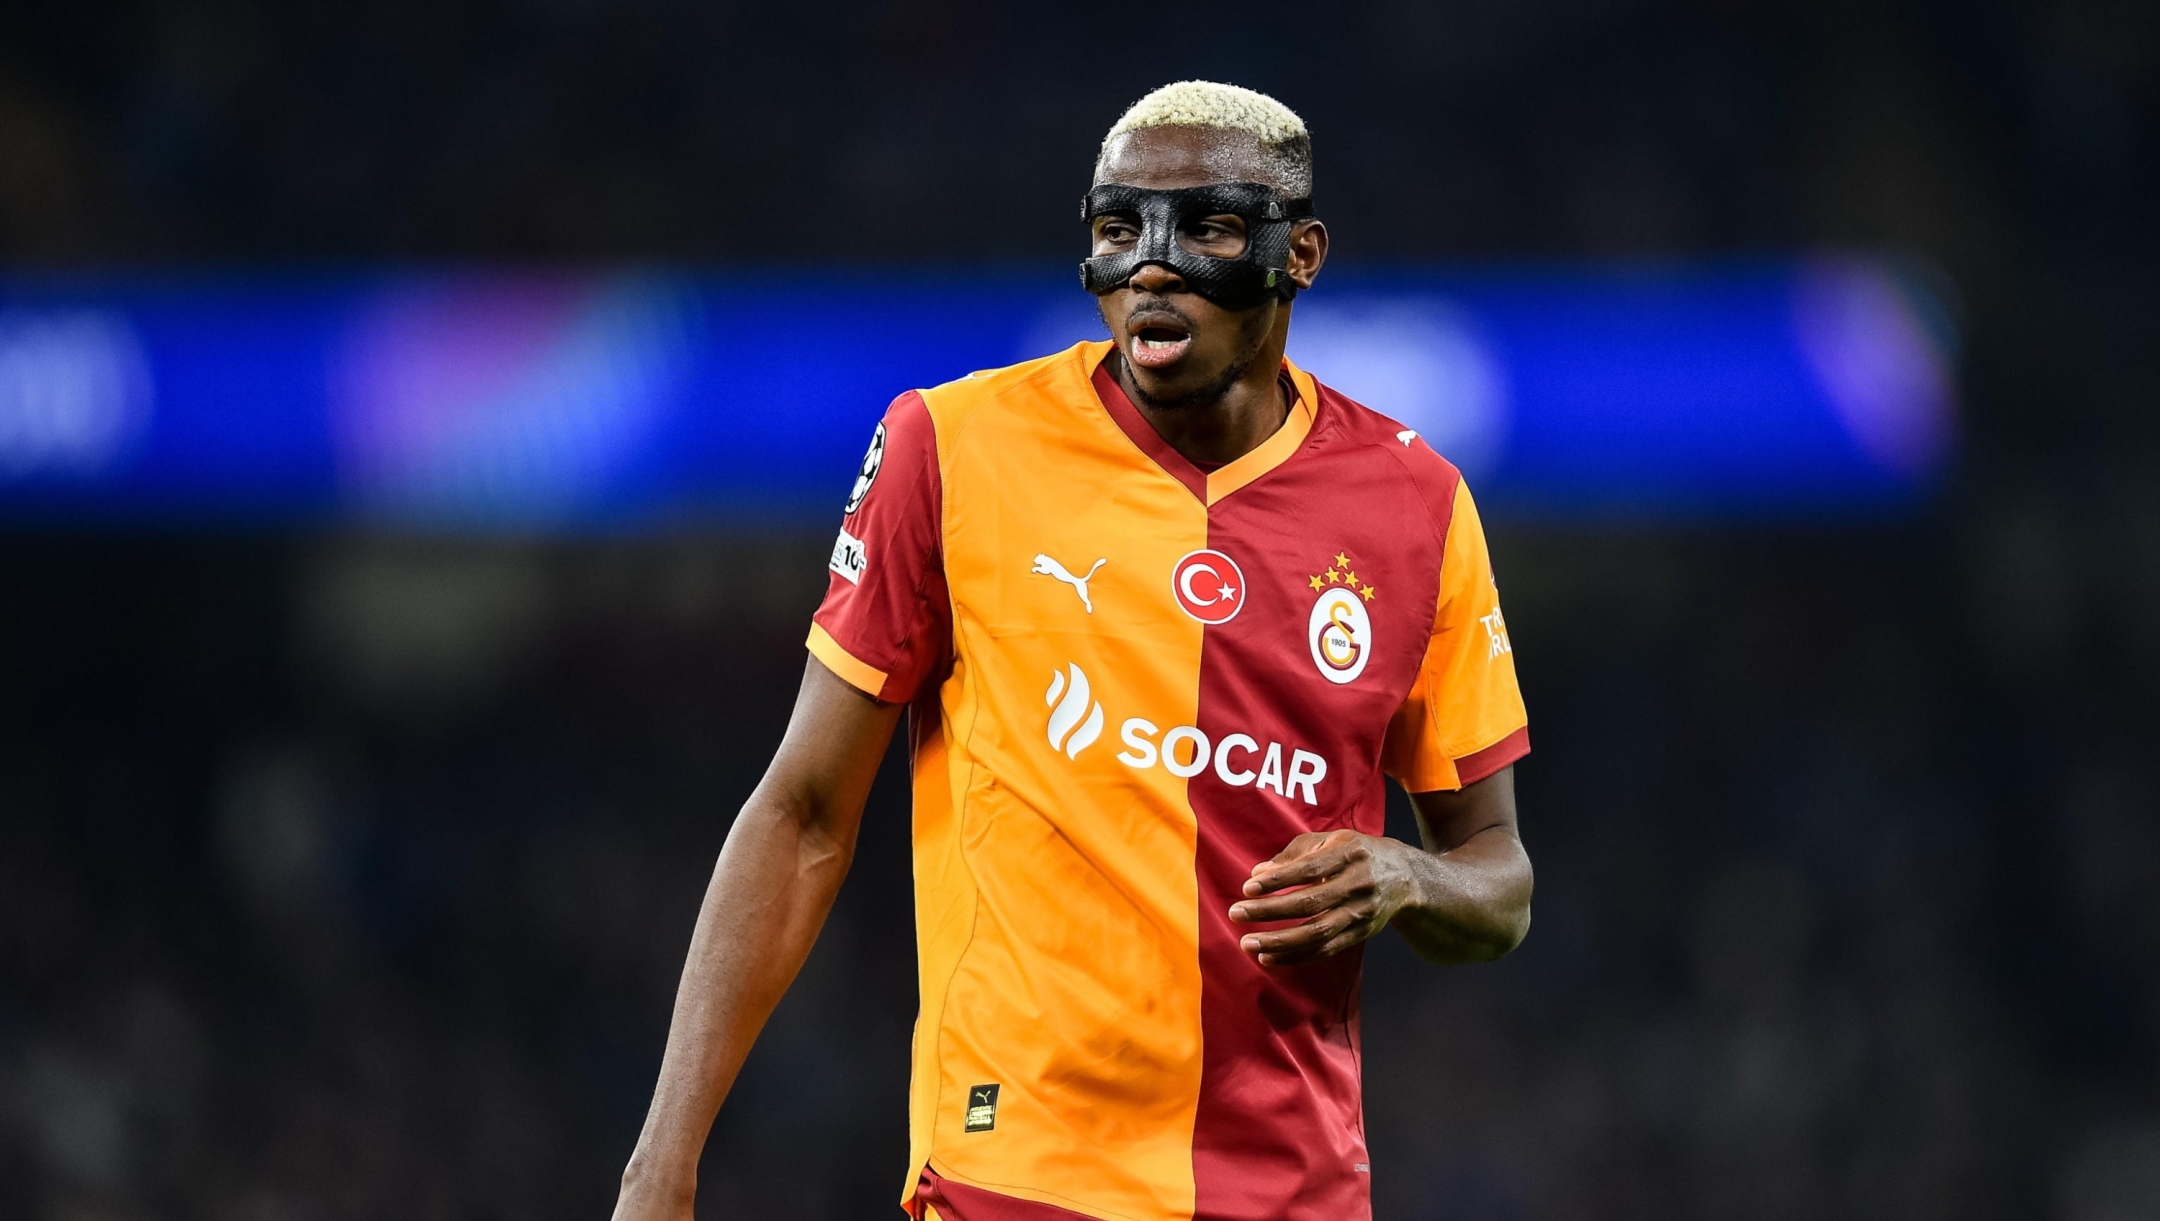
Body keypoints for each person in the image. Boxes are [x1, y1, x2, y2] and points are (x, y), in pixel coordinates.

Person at [612, 80, 1533, 1221]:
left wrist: (1411, 874)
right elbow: (802, 814)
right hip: (1015, 1176)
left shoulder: (1416, 505)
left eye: (1205, 226)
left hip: (1292, 1191)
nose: (1151, 264)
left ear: (1300, 255)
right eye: (1118, 229)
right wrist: (661, 1165)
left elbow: (1500, 880)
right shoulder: (951, 450)